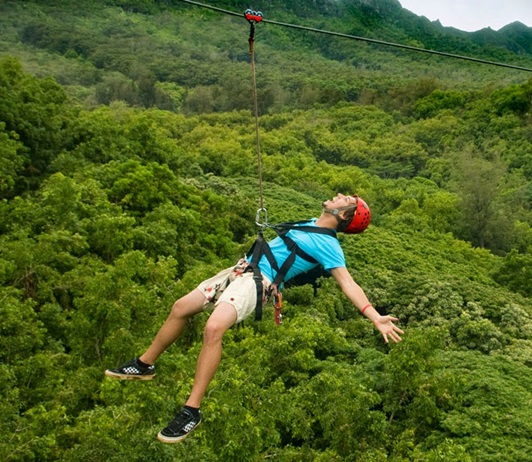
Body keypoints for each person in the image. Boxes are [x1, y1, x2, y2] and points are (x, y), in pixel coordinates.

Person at [105, 193, 404, 443]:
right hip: (242, 271)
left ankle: (191, 411)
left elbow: (348, 283)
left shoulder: (330, 246)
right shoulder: (309, 223)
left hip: (258, 283)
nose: (338, 195)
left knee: (213, 328)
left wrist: (375, 316)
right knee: (180, 307)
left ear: (343, 215)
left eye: (345, 199)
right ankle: (144, 365)